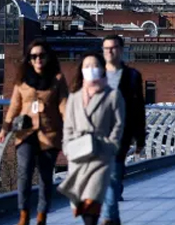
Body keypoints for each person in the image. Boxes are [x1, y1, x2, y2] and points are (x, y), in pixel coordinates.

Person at [0, 39, 68, 225]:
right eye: (34, 56)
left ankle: (42, 215)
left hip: (50, 134)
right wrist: (5, 128)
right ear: (29, 59)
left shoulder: (57, 79)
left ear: (48, 58)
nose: (38, 59)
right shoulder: (22, 80)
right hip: (26, 133)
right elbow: (14, 105)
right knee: (24, 173)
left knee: (45, 177)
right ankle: (23, 214)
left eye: (41, 55)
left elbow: (63, 105)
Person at [58, 52, 125, 225]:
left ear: (103, 69)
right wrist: (67, 146)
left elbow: (118, 124)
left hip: (101, 153)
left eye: (95, 66)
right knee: (79, 201)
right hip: (78, 154)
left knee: (92, 199)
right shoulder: (74, 97)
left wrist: (111, 145)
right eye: (87, 66)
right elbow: (68, 126)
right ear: (81, 70)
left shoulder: (112, 95)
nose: (91, 70)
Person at [99, 36, 146, 225]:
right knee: (109, 173)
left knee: (113, 171)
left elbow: (139, 106)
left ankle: (109, 217)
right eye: (106, 48)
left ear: (121, 50)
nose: (110, 51)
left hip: (122, 130)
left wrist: (140, 136)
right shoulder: (95, 74)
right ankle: (113, 217)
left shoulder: (133, 76)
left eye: (114, 48)